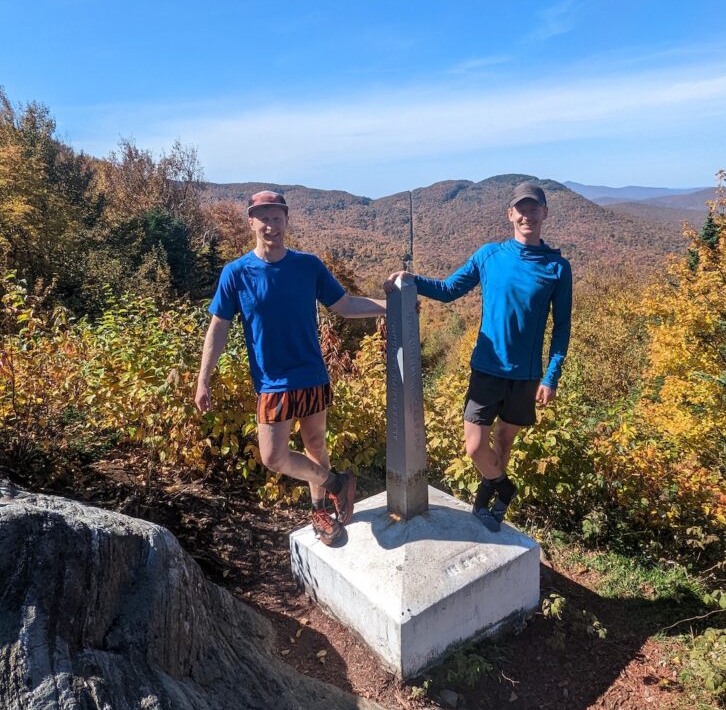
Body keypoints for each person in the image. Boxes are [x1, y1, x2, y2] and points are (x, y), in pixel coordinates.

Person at [196, 190, 386, 547]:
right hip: (271, 381)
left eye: (277, 217)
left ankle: (321, 512)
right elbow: (218, 327)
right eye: (263, 217)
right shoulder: (236, 273)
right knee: (273, 456)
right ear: (252, 222)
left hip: (311, 374)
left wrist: (393, 304)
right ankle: (336, 484)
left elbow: (344, 305)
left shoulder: (308, 266)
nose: (271, 224)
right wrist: (202, 378)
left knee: (316, 443)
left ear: (286, 220)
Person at [384, 182, 572, 531]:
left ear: (544, 213)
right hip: (487, 368)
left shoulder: (557, 268)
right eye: (521, 209)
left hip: (525, 375)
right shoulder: (489, 255)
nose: (527, 215)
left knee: (503, 441)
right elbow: (450, 289)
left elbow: (562, 327)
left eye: (534, 208)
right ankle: (505, 488)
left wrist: (551, 376)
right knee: (475, 447)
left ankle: (487, 505)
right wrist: (413, 280)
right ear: (510, 214)